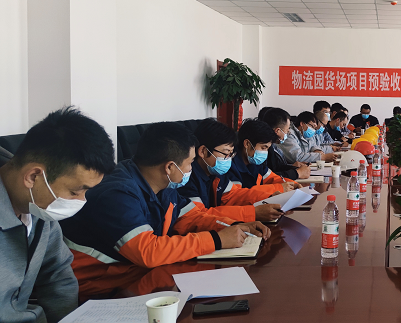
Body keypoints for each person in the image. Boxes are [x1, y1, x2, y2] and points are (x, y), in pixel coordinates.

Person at [59, 122, 268, 285]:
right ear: (169, 167)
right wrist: (216, 239)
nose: (191, 169)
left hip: (135, 277)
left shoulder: (163, 186)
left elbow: (192, 218)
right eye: (189, 163)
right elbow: (148, 251)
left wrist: (235, 226)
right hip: (99, 288)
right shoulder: (117, 193)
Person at [0, 107, 115, 323]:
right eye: (75, 191)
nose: (81, 201)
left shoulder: (38, 210)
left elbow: (58, 276)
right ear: (33, 176)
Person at [179, 119, 294, 215]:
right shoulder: (186, 179)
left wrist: (269, 197)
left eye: (231, 154)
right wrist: (252, 213)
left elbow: (234, 195)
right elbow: (198, 217)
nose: (229, 159)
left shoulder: (216, 172)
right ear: (203, 151)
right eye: (225, 154)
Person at [233, 119, 300, 194]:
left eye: (267, 148)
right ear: (247, 144)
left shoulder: (255, 163)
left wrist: (293, 184)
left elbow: (272, 178)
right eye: (263, 148)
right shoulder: (231, 165)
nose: (265, 152)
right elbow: (238, 194)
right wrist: (279, 188)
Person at [259, 107, 311, 181]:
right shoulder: (262, 148)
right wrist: (297, 173)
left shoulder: (272, 146)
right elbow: (266, 176)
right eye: (287, 130)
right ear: (278, 131)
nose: (288, 132)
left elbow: (276, 168)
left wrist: (293, 167)